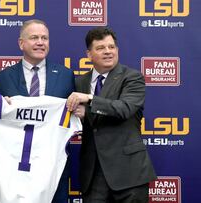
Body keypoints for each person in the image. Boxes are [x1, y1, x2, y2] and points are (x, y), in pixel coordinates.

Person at [66, 27, 156, 203]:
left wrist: (90, 100)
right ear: (89, 54)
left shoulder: (132, 77)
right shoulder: (79, 82)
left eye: (111, 47)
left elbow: (124, 108)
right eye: (100, 48)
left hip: (129, 174)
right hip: (93, 175)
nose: (108, 52)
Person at [0, 19, 75, 203]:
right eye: (34, 38)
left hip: (52, 165)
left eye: (44, 38)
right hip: (15, 167)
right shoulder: (2, 78)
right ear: (21, 43)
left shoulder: (66, 75)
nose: (40, 42)